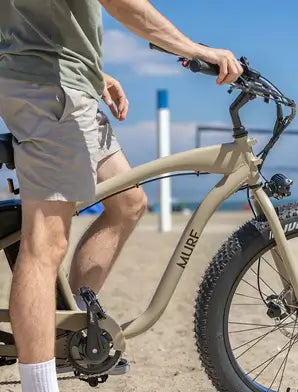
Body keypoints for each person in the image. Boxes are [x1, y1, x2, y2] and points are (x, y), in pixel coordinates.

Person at [0, 1, 243, 391]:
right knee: (43, 245)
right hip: (52, 90)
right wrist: (194, 48)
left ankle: (73, 334)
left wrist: (90, 70)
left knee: (128, 202)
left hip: (61, 82)